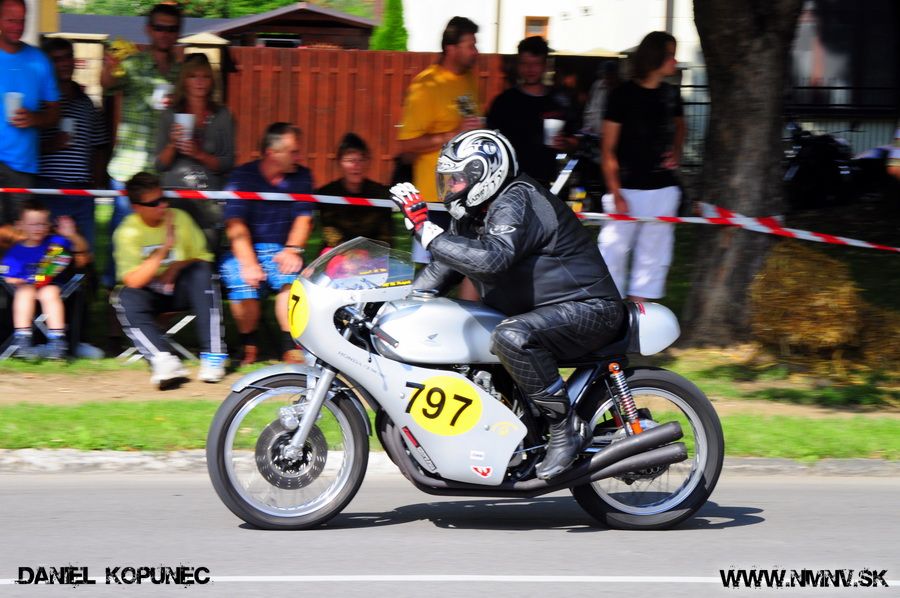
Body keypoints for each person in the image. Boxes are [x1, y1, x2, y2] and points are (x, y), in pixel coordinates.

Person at [391, 129, 624, 480]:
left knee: (511, 336)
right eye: (448, 179)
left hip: (588, 308)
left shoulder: (516, 200)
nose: (450, 187)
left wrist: (427, 232)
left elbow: (492, 260)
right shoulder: (474, 210)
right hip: (544, 312)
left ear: (484, 174)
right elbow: (446, 266)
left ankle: (565, 428)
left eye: (457, 178)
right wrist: (397, 305)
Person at [111, 172, 227, 388]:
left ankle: (213, 355)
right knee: (124, 297)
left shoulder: (179, 218)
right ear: (137, 207)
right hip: (148, 293)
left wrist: (175, 266)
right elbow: (133, 280)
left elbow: (203, 257)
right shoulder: (127, 231)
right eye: (154, 203)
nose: (162, 206)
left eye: (163, 199)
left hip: (181, 289)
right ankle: (163, 360)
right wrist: (164, 249)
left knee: (202, 272)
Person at [598, 31, 685, 302]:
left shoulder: (671, 95)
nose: (675, 61)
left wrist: (677, 150)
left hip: (663, 190)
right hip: (626, 189)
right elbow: (607, 148)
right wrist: (616, 193)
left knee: (652, 260)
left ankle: (639, 316)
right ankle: (609, 314)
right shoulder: (622, 95)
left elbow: (681, 126)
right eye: (670, 55)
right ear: (654, 57)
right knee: (612, 254)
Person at [101, 2, 183, 286]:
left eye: (171, 29)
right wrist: (109, 68)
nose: (165, 34)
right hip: (129, 168)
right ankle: (112, 301)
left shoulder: (180, 73)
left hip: (163, 170)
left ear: (178, 33)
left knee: (157, 238)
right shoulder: (133, 63)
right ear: (149, 30)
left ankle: (149, 299)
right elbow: (107, 85)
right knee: (122, 238)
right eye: (160, 27)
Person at [220, 123, 313, 366]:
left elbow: (304, 218)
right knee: (242, 282)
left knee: (290, 282)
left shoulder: (302, 176)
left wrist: (293, 249)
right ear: (272, 153)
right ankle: (249, 344)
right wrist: (249, 263)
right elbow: (235, 223)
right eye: (293, 152)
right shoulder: (242, 176)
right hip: (245, 249)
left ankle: (289, 346)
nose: (299, 157)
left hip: (283, 248)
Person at [396, 16, 483, 272]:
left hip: (467, 196)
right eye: (470, 45)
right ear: (451, 49)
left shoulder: (468, 79)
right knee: (430, 275)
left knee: (471, 271)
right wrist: (453, 133)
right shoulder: (425, 86)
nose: (476, 51)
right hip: (435, 200)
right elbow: (407, 144)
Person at [156, 52, 234, 253]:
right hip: (175, 196)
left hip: (209, 198)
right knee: (175, 254)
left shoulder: (222, 115)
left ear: (212, 81)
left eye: (205, 76)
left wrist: (199, 154)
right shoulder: (170, 115)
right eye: (193, 76)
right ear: (184, 80)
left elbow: (227, 163)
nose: (199, 82)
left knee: (206, 254)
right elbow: (160, 164)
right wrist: (173, 144)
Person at [38, 37, 109, 252]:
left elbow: (99, 146)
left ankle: (84, 276)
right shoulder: (41, 101)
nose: (64, 63)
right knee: (51, 251)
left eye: (68, 57)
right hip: (49, 187)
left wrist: (96, 182)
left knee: (84, 250)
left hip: (82, 190)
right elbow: (28, 147)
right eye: (57, 59)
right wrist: (52, 145)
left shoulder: (86, 102)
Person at [486, 36, 579, 188]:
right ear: (518, 65)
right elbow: (489, 142)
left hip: (546, 184)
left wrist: (566, 143)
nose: (530, 69)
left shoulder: (559, 101)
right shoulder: (504, 102)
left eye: (536, 64)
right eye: (524, 63)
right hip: (508, 184)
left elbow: (575, 140)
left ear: (545, 65)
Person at [0, 199, 86, 360]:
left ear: (48, 225)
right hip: (27, 287)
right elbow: (7, 275)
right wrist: (14, 280)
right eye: (33, 224)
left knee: (50, 293)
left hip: (50, 284)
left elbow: (79, 249)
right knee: (24, 292)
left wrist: (71, 234)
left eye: (42, 224)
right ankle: (22, 337)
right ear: (20, 225)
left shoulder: (55, 242)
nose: (38, 228)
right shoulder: (16, 251)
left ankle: (57, 340)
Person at [0, 0, 60, 227]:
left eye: (22, 21)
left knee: (23, 236)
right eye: (11, 20)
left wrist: (35, 118)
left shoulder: (39, 60)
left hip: (21, 164)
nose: (17, 27)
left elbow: (55, 113)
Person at [315, 133, 392, 252]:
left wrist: (371, 254)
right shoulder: (327, 194)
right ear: (339, 162)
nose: (356, 166)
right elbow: (329, 231)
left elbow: (386, 237)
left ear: (368, 162)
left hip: (372, 255)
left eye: (361, 160)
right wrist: (348, 254)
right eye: (350, 160)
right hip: (337, 252)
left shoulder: (380, 195)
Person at [583, 60, 621, 138]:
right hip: (595, 134)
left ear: (615, 75)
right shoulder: (596, 86)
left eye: (610, 75)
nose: (606, 78)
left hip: (613, 136)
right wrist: (588, 126)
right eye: (605, 75)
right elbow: (589, 107)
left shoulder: (621, 89)